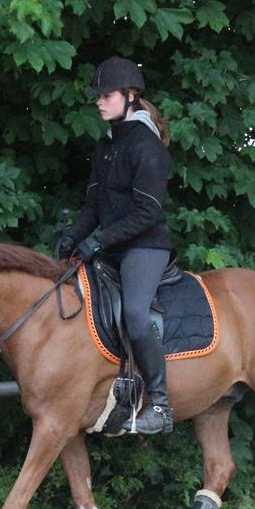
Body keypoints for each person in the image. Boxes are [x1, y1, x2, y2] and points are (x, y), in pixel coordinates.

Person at [55, 56, 175, 434]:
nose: (99, 102)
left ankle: (160, 403)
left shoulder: (146, 147)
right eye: (99, 96)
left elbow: (148, 212)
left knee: (136, 316)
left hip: (145, 247)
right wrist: (74, 237)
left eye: (106, 96)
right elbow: (94, 205)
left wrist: (99, 240)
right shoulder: (105, 146)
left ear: (130, 96)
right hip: (110, 246)